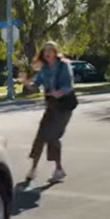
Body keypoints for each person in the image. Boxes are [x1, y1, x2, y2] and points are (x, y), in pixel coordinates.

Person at [25, 41, 75, 184]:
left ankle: (58, 169)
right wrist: (27, 83)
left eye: (50, 50)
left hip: (64, 106)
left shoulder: (63, 65)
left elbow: (68, 85)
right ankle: (33, 169)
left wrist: (59, 92)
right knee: (41, 135)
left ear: (55, 52)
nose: (47, 53)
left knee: (52, 136)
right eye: (45, 50)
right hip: (52, 105)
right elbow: (36, 84)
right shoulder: (44, 68)